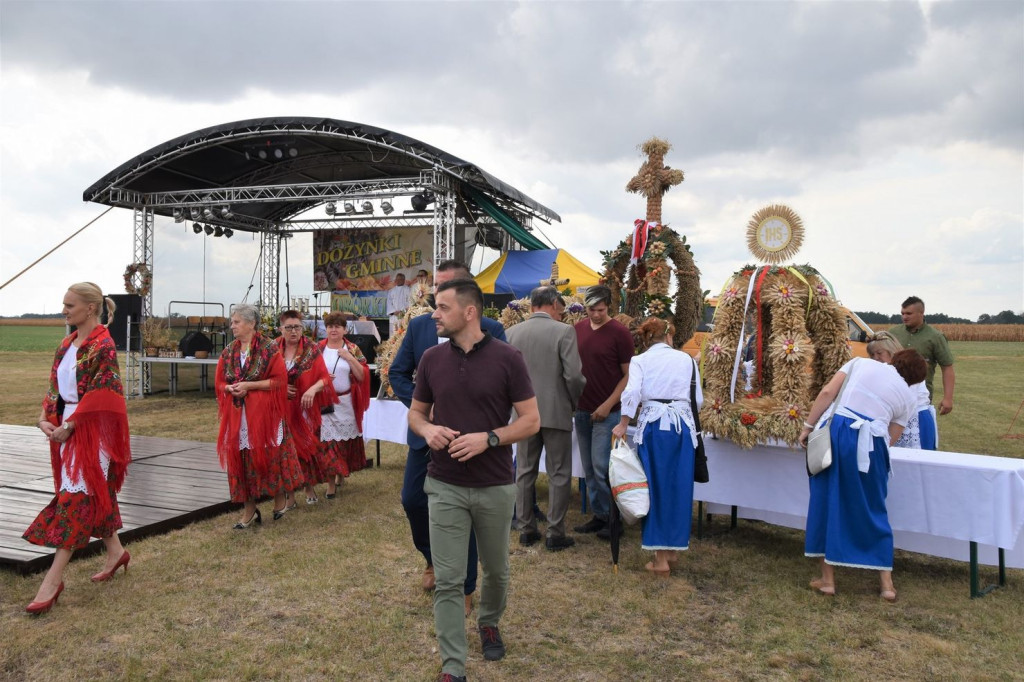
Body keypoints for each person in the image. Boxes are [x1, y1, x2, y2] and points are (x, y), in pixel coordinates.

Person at [408, 278, 540, 681]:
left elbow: (532, 420)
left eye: (443, 307)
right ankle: (453, 666)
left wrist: (490, 438)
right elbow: (416, 413)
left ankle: (489, 621)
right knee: (448, 580)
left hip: (495, 485)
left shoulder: (508, 358)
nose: (435, 314)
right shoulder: (431, 358)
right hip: (444, 483)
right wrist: (427, 431)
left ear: (469, 312)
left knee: (496, 570)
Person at [388, 260, 508, 612]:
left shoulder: (493, 330)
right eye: (434, 290)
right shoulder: (420, 326)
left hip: (470, 443)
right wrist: (425, 409)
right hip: (427, 438)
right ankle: (431, 559)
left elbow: (502, 387)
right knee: (413, 500)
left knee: (465, 514)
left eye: (444, 289)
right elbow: (397, 373)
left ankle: (466, 588)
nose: (435, 298)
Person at [23, 282, 133, 614]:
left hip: (91, 429)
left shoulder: (104, 345)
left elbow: (105, 393)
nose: (64, 310)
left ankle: (53, 580)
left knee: (75, 497)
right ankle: (116, 552)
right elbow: (55, 386)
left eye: (70, 305)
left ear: (90, 308)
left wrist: (71, 426)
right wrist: (46, 417)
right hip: (65, 424)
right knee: (89, 491)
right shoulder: (67, 343)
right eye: (64, 304)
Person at [798, 349, 925, 601]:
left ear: (893, 360)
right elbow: (891, 437)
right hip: (874, 445)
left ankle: (827, 580)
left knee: (827, 500)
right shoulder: (909, 399)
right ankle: (886, 584)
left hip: (838, 433)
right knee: (872, 507)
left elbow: (826, 393)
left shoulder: (859, 363)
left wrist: (808, 427)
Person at [612, 318, 703, 576]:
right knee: (679, 486)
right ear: (669, 336)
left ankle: (661, 559)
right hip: (683, 428)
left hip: (655, 426)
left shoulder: (640, 360)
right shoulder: (686, 360)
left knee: (656, 486)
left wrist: (623, 423)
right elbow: (698, 399)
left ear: (646, 339)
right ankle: (672, 550)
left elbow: (631, 393)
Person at [506, 286, 586, 551]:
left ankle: (526, 528)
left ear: (531, 306)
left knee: (525, 471)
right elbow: (573, 376)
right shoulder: (564, 331)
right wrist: (572, 402)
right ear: (553, 303)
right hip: (556, 410)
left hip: (523, 414)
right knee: (559, 473)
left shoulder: (511, 333)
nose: (562, 313)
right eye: (560, 308)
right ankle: (555, 532)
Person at [215, 304, 303, 528]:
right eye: (232, 322)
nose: (232, 326)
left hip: (265, 415)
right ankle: (249, 509)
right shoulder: (229, 351)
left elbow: (279, 381)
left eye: (236, 322)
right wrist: (229, 389)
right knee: (242, 461)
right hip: (239, 416)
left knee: (270, 457)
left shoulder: (268, 349)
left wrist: (249, 386)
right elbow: (219, 382)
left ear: (251, 323)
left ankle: (278, 499)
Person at [573, 284, 634, 540]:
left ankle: (613, 519)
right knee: (588, 468)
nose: (595, 314)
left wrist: (609, 404)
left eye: (600, 310)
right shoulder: (577, 329)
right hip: (582, 409)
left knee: (601, 467)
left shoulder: (620, 333)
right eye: (590, 309)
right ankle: (600, 514)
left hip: (607, 411)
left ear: (609, 307)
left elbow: (628, 375)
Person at [275, 310, 337, 504]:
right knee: (285, 449)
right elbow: (264, 377)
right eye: (289, 327)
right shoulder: (273, 348)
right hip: (280, 407)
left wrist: (312, 390)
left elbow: (325, 377)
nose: (294, 331)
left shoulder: (311, 348)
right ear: (280, 329)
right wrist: (281, 388)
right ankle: (290, 494)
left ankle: (308, 487)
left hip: (304, 407)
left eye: (297, 327)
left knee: (305, 446)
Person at [317, 311, 371, 489]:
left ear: (344, 330)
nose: (333, 330)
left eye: (337, 326)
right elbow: (308, 374)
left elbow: (362, 376)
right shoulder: (318, 349)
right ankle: (331, 483)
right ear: (326, 330)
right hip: (325, 402)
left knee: (344, 442)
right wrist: (323, 379)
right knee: (328, 442)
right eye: (330, 326)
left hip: (346, 402)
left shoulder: (353, 349)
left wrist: (349, 358)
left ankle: (341, 473)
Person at [868, 332, 936, 450]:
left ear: (892, 351)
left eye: (879, 353)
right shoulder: (885, 370)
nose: (876, 358)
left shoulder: (907, 368)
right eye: (872, 355)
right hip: (899, 419)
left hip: (915, 420)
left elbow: (906, 398)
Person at [888, 296, 955, 415]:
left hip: (920, 397)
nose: (904, 317)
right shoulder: (893, 333)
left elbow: (947, 368)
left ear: (921, 313)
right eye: (902, 313)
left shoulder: (935, 337)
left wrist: (948, 399)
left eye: (909, 313)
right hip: (892, 393)